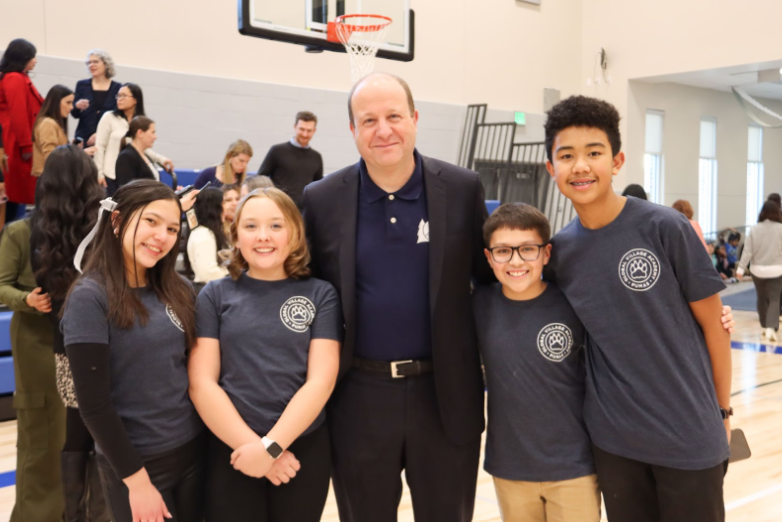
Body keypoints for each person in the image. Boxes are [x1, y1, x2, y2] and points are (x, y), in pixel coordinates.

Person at [302, 73, 493, 522]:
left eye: (393, 116)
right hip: (358, 397)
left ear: (415, 119)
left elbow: (488, 281)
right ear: (352, 130)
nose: (383, 130)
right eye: (368, 120)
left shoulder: (462, 189)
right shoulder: (322, 198)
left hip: (444, 395)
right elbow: (304, 290)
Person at [544, 96, 732, 522]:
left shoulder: (665, 227)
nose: (581, 166)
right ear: (550, 168)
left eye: (594, 152)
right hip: (614, 444)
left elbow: (715, 325)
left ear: (617, 161)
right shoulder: (560, 253)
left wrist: (722, 411)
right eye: (566, 155)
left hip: (688, 435)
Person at [189, 187, 341, 521]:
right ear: (236, 234)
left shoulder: (320, 294)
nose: (263, 237)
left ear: (295, 234)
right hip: (232, 447)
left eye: (276, 225)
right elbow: (202, 383)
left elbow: (321, 382)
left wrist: (271, 448)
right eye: (251, 226)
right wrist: (254, 449)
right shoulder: (215, 294)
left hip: (302, 449)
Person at [61, 180, 205, 522]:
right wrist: (137, 484)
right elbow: (94, 406)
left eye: (172, 228)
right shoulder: (90, 298)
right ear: (116, 221)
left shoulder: (180, 289)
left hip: (195, 451)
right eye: (151, 222)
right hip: (137, 465)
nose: (162, 236)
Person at [474, 203, 600, 522]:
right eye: (503, 251)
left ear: (546, 253)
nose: (516, 261)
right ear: (489, 257)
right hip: (510, 466)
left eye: (528, 249)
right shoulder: (478, 306)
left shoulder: (574, 303)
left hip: (575, 466)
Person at [30, 144, 110, 521]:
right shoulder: (104, 223)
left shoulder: (39, 227)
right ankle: (100, 514)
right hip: (109, 343)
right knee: (105, 434)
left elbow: (45, 292)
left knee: (77, 433)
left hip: (66, 346)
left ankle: (74, 515)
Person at [0, 213, 65, 521]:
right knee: (40, 439)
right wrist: (27, 299)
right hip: (35, 343)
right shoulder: (19, 232)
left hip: (75, 341)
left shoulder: (84, 228)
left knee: (69, 438)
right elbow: (1, 286)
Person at [93, 83, 172, 195]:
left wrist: (161, 159)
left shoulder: (140, 121)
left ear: (135, 99)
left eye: (124, 96)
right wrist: (99, 173)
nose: (120, 99)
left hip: (130, 175)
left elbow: (141, 148)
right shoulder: (109, 117)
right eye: (118, 96)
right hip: (109, 175)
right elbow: (99, 146)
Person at [0, 38, 43, 219]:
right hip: (15, 144)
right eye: (32, 56)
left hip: (16, 142)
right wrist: (26, 145)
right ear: (22, 58)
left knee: (17, 193)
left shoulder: (19, 77)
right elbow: (19, 115)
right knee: (14, 193)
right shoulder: (14, 78)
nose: (35, 60)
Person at [736, 200, 782, 341]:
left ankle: (763, 325)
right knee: (774, 299)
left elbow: (747, 251)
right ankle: (770, 328)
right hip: (777, 269)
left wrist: (740, 269)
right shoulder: (781, 228)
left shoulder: (754, 229)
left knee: (762, 298)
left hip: (757, 270)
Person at [258, 111, 323, 207]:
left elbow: (318, 187)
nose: (305, 134)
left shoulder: (317, 157)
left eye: (309, 130)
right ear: (295, 127)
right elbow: (260, 178)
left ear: (314, 131)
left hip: (304, 213)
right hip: (278, 207)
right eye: (301, 129)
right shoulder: (277, 151)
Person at [71, 50, 121, 154]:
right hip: (84, 138)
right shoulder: (82, 85)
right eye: (89, 63)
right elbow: (74, 114)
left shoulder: (118, 88)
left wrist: (101, 133)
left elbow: (118, 117)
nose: (91, 65)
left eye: (95, 62)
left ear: (106, 64)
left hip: (107, 139)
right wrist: (76, 106)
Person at [185, 187, 229, 290]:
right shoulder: (203, 235)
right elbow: (208, 274)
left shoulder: (209, 233)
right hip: (208, 292)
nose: (226, 208)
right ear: (214, 208)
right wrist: (235, 276)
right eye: (223, 203)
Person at [32, 85, 73, 177]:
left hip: (54, 177)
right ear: (56, 102)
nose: (71, 107)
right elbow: (51, 157)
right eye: (68, 102)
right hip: (50, 180)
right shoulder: (48, 123)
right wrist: (78, 154)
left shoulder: (53, 123)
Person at [114, 116, 160, 188]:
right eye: (152, 132)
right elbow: (126, 190)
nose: (155, 137)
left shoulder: (146, 156)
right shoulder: (126, 157)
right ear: (140, 133)